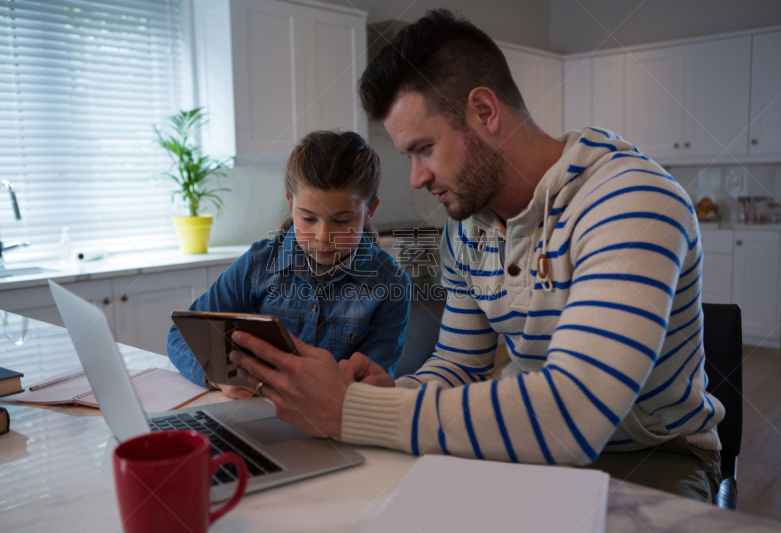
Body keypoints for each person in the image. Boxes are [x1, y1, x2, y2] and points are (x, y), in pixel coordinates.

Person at [225, 10, 724, 502]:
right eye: (407, 157)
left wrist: (351, 409)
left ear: (484, 112)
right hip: (523, 447)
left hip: (651, 459)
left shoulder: (630, 201)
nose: (416, 177)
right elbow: (459, 363)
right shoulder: (466, 229)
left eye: (424, 148)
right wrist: (391, 392)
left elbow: (573, 415)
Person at [167, 130, 411, 398]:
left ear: (369, 211)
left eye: (342, 221)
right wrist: (217, 377)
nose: (322, 237)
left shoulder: (391, 284)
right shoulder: (258, 263)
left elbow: (372, 386)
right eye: (308, 218)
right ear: (290, 203)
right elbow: (181, 336)